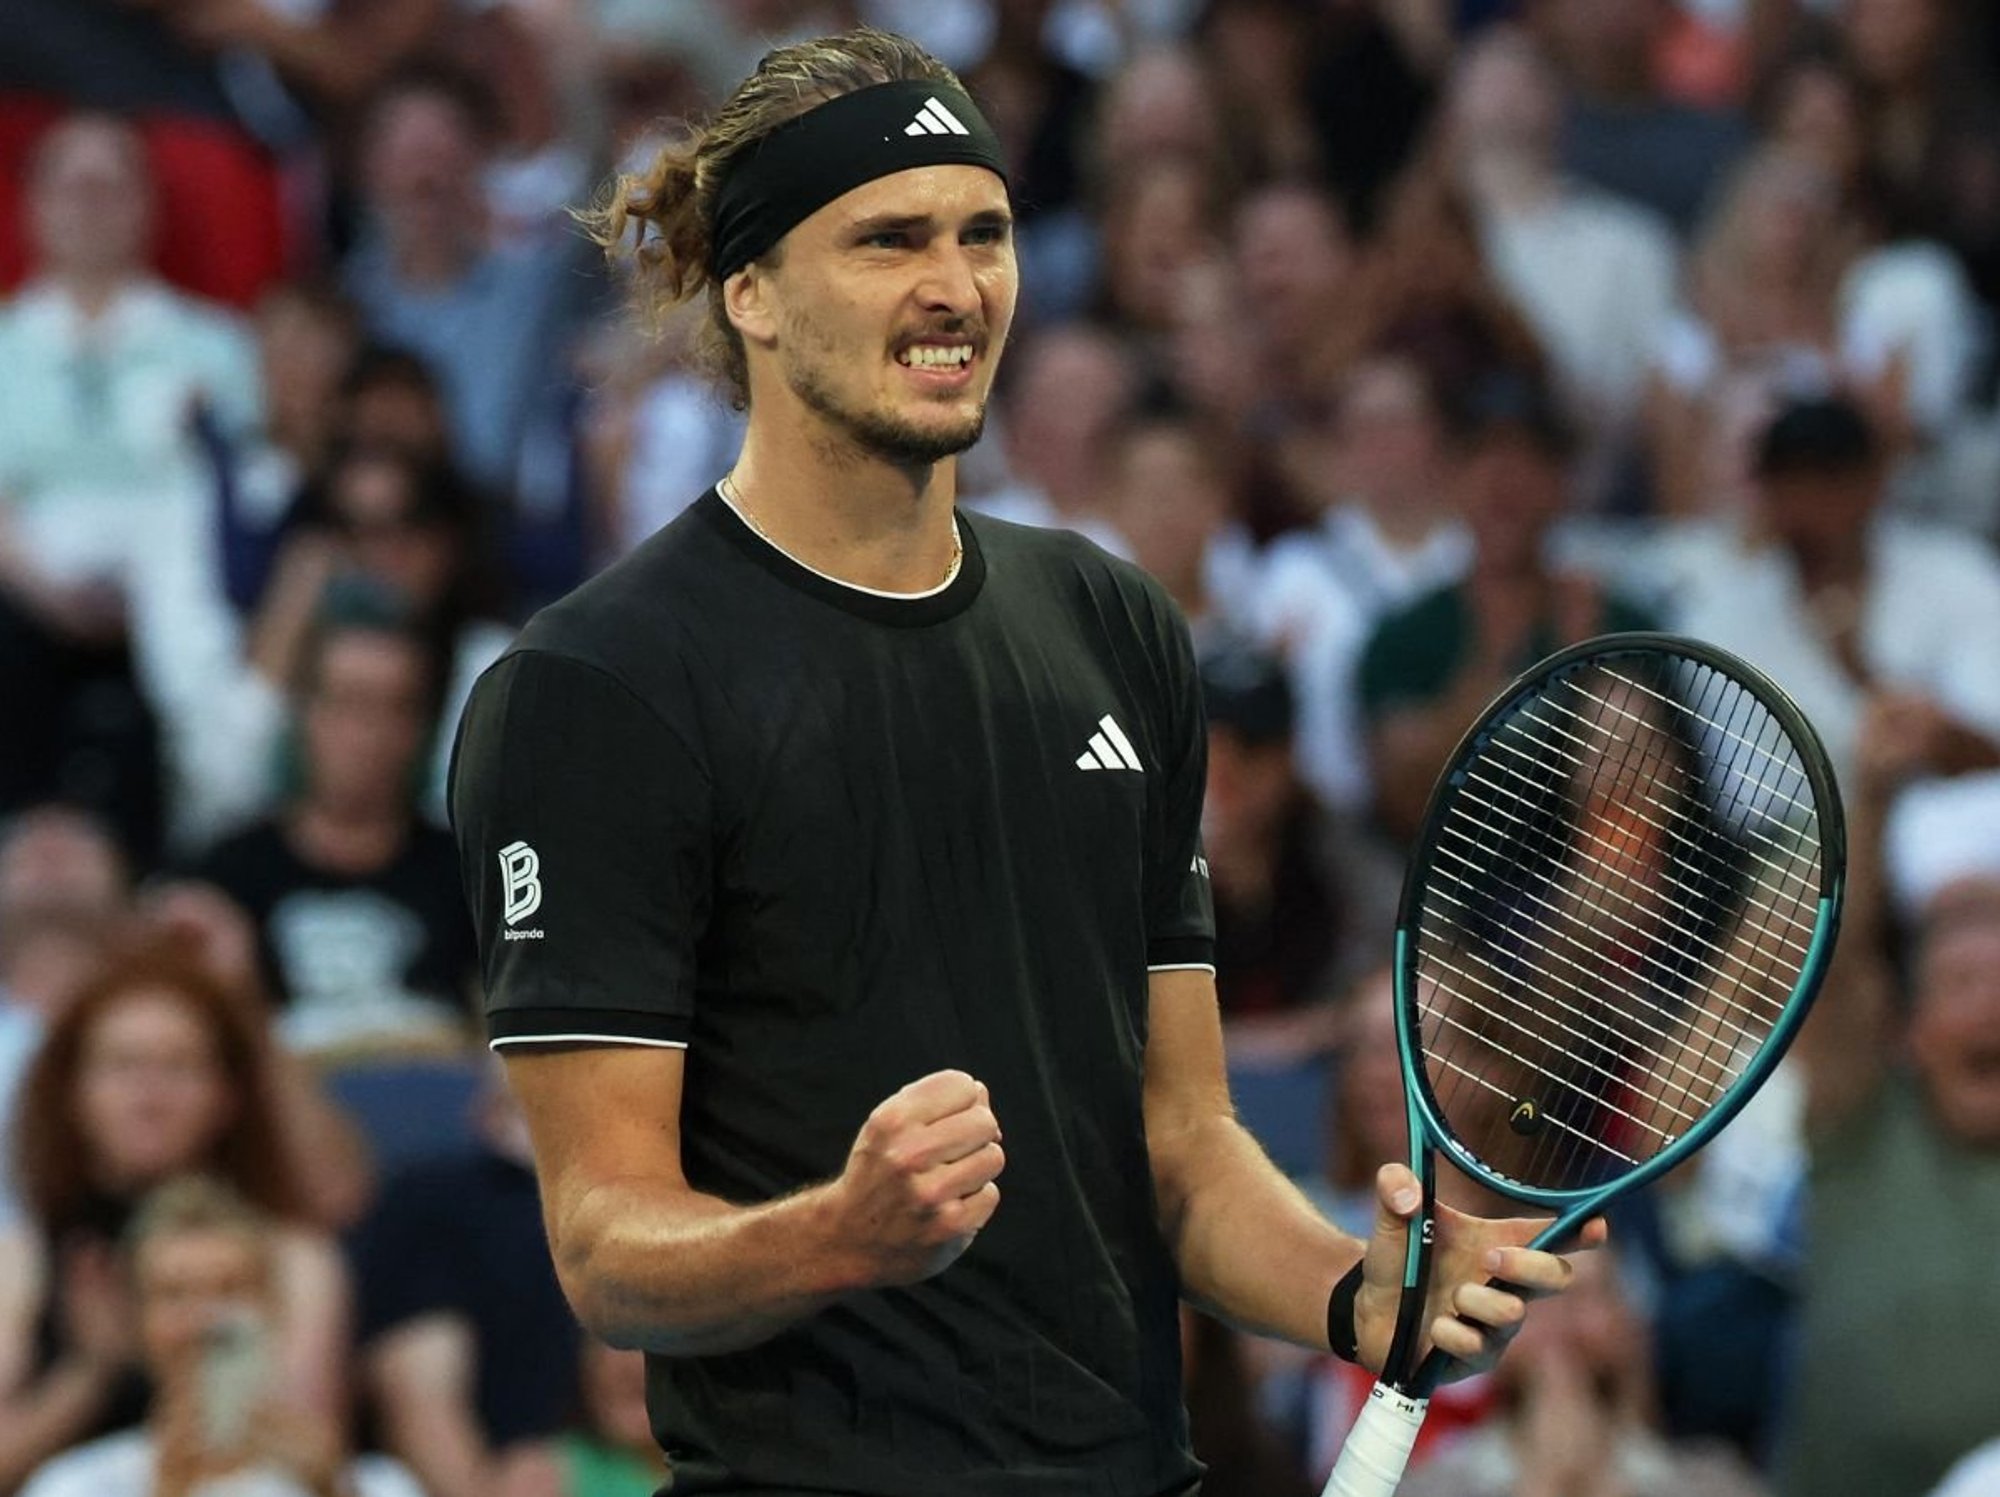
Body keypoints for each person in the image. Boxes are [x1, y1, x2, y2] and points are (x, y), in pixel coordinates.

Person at [448, 26, 1598, 1494]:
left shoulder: (1115, 624)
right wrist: (838, 1233)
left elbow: (1180, 1147)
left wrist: (1356, 1296)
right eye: (888, 240)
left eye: (983, 233)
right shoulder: (594, 687)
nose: (956, 287)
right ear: (751, 296)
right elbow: (607, 1247)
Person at [0, 937, 350, 1491]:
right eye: (123, 1065)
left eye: (180, 1066)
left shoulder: (292, 1252)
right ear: (71, 1090)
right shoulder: (25, 1253)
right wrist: (90, 1372)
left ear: (228, 1095)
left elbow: (308, 1453)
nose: (150, 1094)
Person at [17, 1175, 422, 1497]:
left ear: (275, 1311)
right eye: (175, 1294)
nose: (204, 1321)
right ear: (139, 1321)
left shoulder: (378, 1485)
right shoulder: (74, 1486)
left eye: (230, 1290)